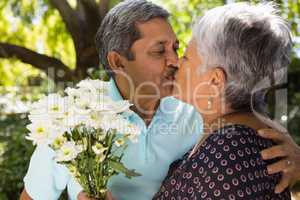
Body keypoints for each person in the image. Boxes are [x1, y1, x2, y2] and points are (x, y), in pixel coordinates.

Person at [20, 1, 300, 200]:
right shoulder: (70, 121)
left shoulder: (195, 109)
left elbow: (242, 111)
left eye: (178, 49)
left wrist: (293, 152)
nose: (175, 61)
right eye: (159, 51)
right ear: (118, 61)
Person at [153, 2, 296, 199]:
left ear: (214, 80)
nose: (176, 62)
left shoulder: (226, 156)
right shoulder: (229, 140)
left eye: (186, 57)